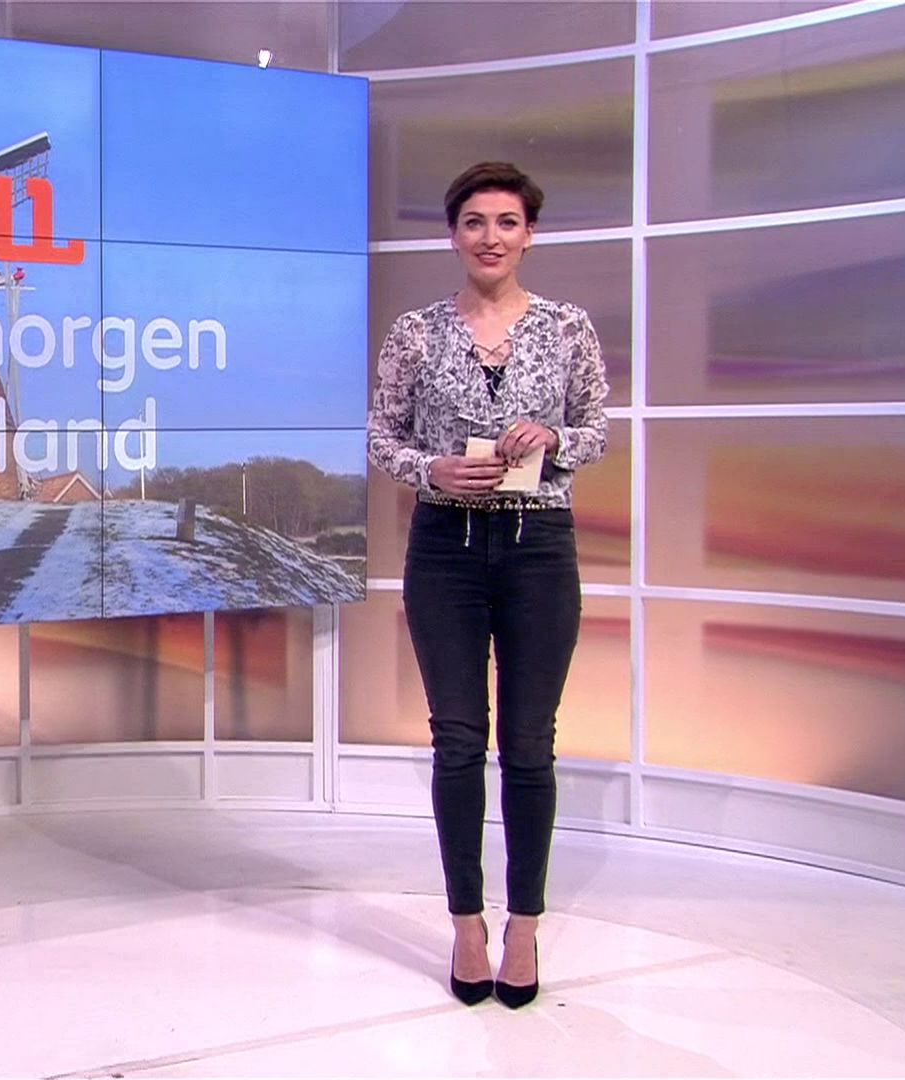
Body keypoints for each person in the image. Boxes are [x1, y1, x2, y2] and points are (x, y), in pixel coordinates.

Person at [366, 161, 609, 1009]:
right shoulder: (415, 332)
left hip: (540, 546)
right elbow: (381, 435)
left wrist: (557, 437)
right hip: (446, 550)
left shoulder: (568, 327)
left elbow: (597, 427)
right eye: (474, 222)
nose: (490, 237)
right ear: (454, 235)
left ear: (529, 235)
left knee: (530, 741)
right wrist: (427, 468)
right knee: (459, 739)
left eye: (507, 222)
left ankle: (525, 926)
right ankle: (466, 921)